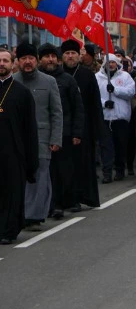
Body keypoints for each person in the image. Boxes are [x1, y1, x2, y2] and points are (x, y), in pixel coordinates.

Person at [13, 42, 62, 229]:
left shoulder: (49, 82)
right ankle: (21, 213)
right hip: (17, 139)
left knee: (40, 177)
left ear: (36, 60)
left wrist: (56, 138)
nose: (28, 62)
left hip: (42, 138)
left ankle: (34, 216)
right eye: (24, 58)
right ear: (18, 61)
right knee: (19, 177)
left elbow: (56, 112)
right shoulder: (12, 82)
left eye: (31, 58)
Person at [38, 44, 84, 220]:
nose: (50, 60)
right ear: (40, 59)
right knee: (45, 172)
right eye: (46, 56)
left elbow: (77, 108)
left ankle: (62, 202)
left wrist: (77, 133)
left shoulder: (67, 80)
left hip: (64, 133)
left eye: (53, 56)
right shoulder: (35, 80)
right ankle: (49, 204)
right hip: (41, 134)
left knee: (63, 171)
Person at [0, 48, 38, 244]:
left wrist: (32, 158)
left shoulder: (21, 92)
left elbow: (30, 127)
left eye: (6, 61)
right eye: (0, 61)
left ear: (12, 64)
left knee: (12, 191)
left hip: (14, 151)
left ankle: (9, 230)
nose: (2, 64)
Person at [62, 39, 103, 209]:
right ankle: (69, 199)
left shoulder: (87, 75)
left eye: (73, 53)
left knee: (83, 164)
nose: (70, 56)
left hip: (85, 127)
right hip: (64, 127)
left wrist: (98, 129)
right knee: (67, 165)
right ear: (62, 57)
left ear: (79, 56)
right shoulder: (56, 75)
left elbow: (95, 104)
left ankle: (84, 196)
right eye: (67, 54)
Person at [96, 54, 136, 183]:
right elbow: (94, 95)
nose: (111, 65)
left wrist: (115, 90)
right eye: (108, 63)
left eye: (113, 62)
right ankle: (107, 172)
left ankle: (119, 170)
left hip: (120, 118)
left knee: (120, 146)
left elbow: (131, 92)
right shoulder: (98, 77)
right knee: (106, 147)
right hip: (105, 118)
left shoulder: (125, 76)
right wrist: (104, 103)